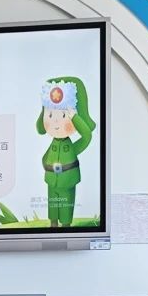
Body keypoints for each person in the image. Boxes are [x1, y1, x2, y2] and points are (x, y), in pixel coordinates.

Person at [36, 76, 95, 227]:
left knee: (66, 212)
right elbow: (45, 157)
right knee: (53, 209)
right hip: (51, 180)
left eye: (63, 115)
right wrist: (46, 165)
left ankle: (66, 227)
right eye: (50, 115)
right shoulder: (54, 143)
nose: (55, 121)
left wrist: (74, 117)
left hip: (67, 181)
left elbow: (87, 136)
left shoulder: (71, 148)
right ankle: (53, 224)